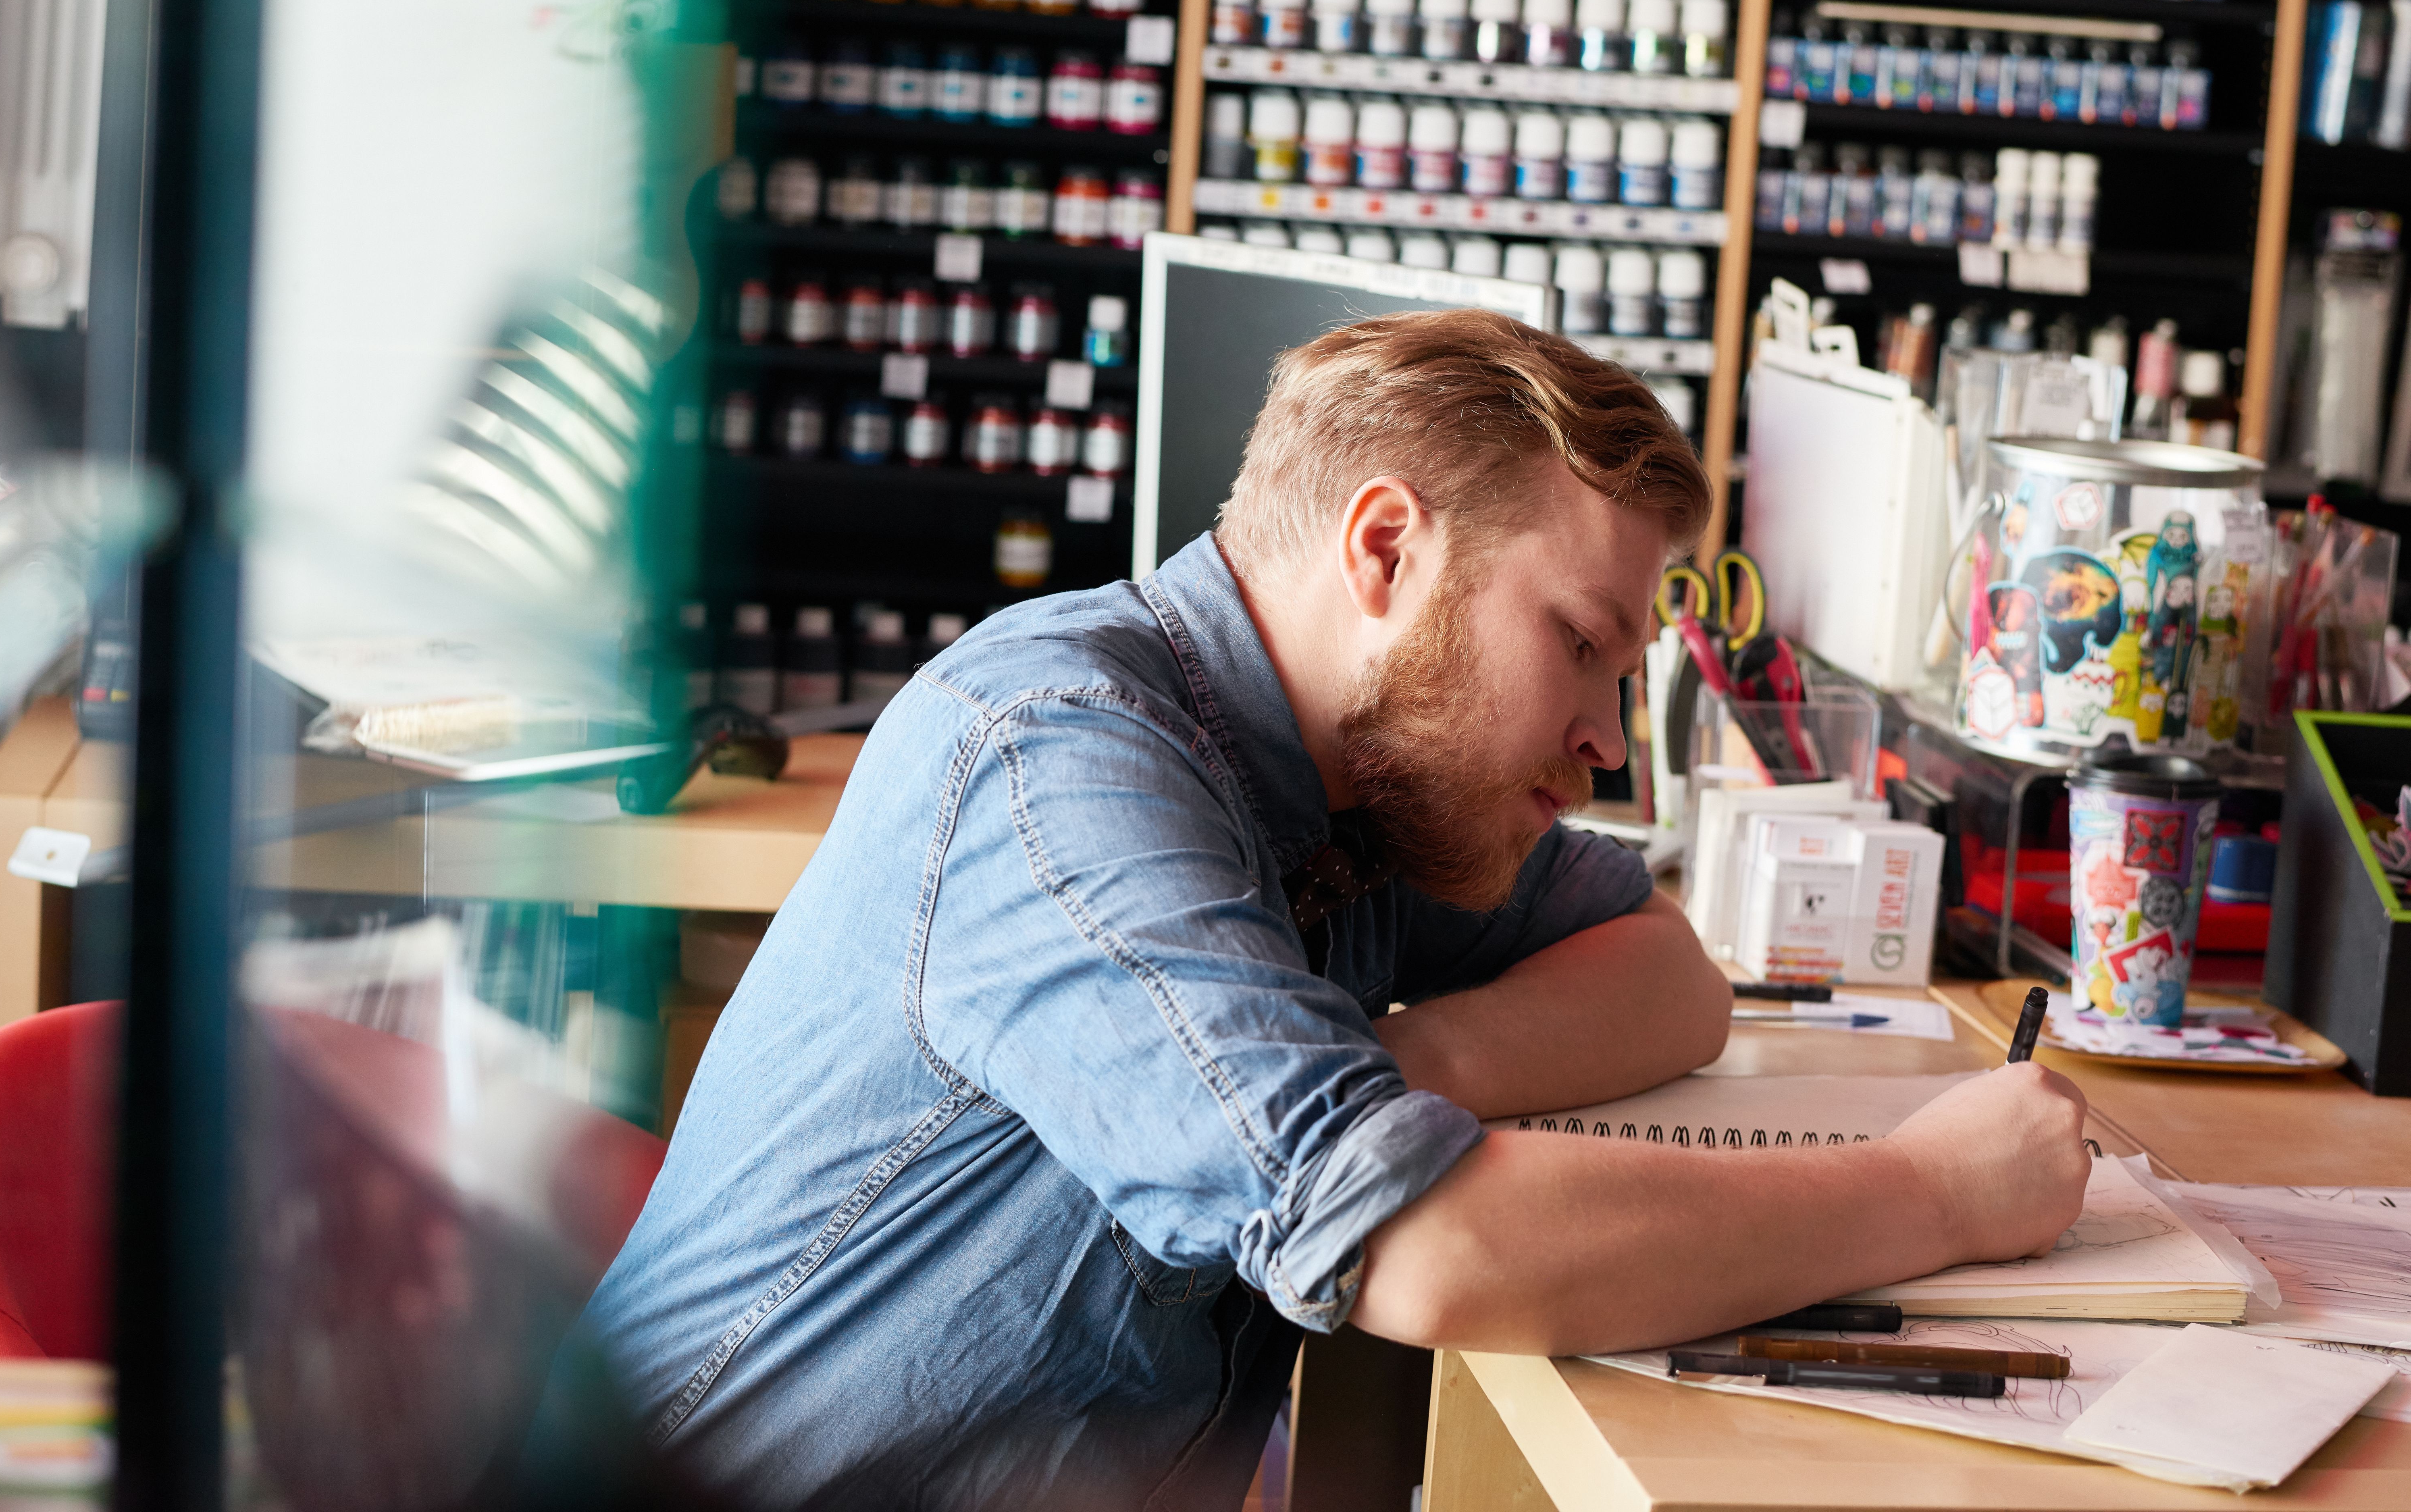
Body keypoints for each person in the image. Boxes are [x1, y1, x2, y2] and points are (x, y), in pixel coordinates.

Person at [576, 310, 2089, 1510]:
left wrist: (1402, 1067)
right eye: (1578, 644)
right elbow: (1425, 1250)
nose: (1612, 739)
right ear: (1383, 550)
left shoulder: (1365, 799)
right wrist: (1934, 1195)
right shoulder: (1063, 751)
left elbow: (1665, 973)